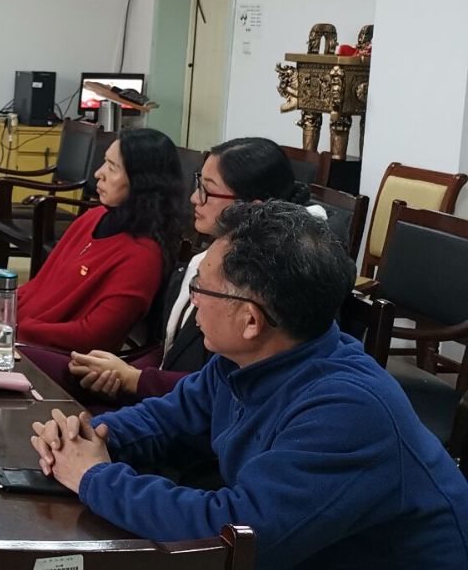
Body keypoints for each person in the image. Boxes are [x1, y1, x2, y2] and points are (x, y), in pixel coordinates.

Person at [31, 201, 468, 570]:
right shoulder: (253, 361)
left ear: (251, 319)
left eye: (202, 288)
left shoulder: (348, 411)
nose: (192, 298)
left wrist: (95, 477)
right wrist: (85, 437)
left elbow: (235, 532)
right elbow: (167, 419)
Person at [69, 138, 322, 403]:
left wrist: (136, 378)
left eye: (207, 190)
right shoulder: (206, 261)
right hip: (166, 402)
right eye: (198, 183)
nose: (193, 198)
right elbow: (173, 351)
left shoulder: (268, 285)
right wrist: (124, 371)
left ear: (252, 208)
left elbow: (223, 387)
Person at [13, 128, 187, 353]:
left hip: (59, 357)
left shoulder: (143, 256)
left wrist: (18, 330)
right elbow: (40, 286)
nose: (98, 173)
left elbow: (94, 336)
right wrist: (1, 307)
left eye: (112, 167)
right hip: (21, 335)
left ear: (142, 182)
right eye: (105, 162)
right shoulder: (94, 216)